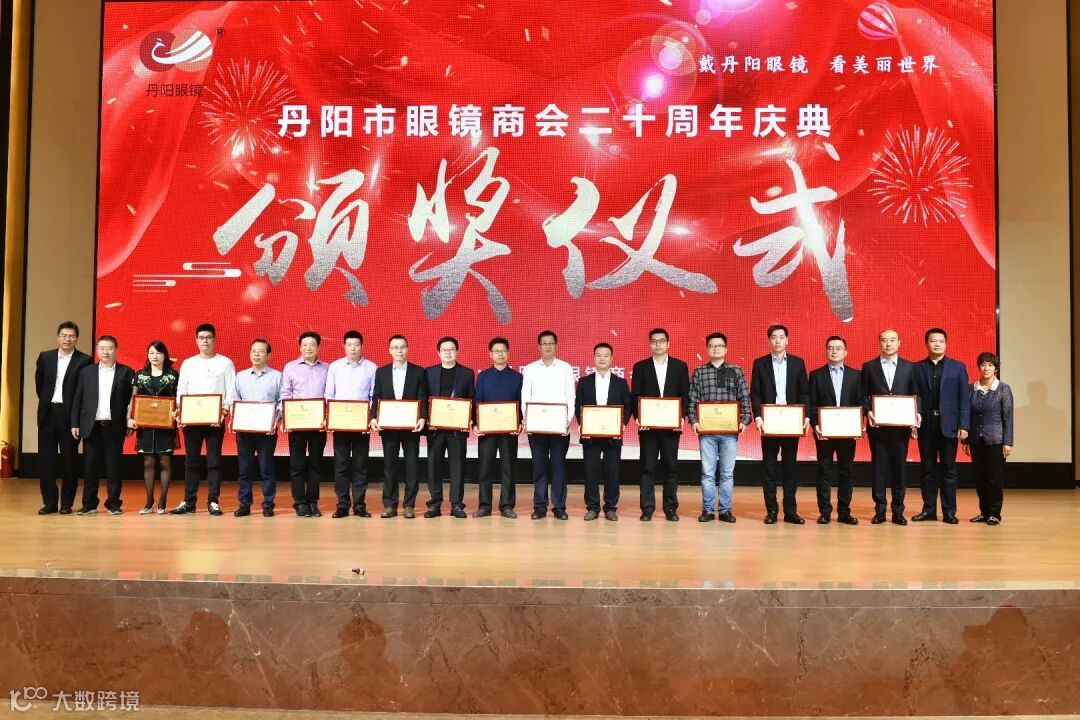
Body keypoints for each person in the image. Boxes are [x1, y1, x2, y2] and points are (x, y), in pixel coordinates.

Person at [172, 323, 236, 516]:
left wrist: (225, 410)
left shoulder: (225, 363)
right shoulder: (188, 363)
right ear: (196, 341)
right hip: (191, 419)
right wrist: (181, 409)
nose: (205, 341)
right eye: (201, 338)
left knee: (214, 461)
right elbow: (182, 389)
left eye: (208, 337)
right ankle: (189, 501)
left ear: (214, 340)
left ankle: (213, 501)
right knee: (191, 461)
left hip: (215, 419)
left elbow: (231, 390)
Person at [750, 324, 810, 524]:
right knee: (769, 468)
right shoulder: (760, 363)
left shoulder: (797, 363)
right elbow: (756, 393)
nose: (777, 341)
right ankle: (772, 511)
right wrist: (758, 417)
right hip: (769, 422)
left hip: (792, 421)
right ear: (769, 341)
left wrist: (805, 417)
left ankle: (790, 512)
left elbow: (804, 392)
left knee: (790, 468)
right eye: (774, 337)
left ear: (787, 340)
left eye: (781, 337)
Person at [688, 333, 751, 524]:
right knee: (707, 473)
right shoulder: (699, 372)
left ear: (726, 349)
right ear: (707, 349)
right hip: (706, 432)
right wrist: (694, 420)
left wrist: (744, 420)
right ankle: (707, 510)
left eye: (720, 345)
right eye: (712, 346)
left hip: (729, 432)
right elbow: (692, 399)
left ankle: (725, 510)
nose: (716, 348)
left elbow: (744, 398)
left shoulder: (736, 371)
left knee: (726, 473)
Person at [861, 329, 921, 525]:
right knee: (878, 469)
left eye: (892, 340)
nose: (888, 344)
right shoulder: (869, 366)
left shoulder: (910, 367)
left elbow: (915, 394)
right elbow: (862, 396)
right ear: (879, 342)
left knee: (899, 468)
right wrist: (868, 411)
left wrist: (916, 413)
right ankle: (880, 511)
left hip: (901, 427)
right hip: (877, 427)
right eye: (885, 340)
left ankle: (898, 511)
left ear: (899, 342)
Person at [911, 328, 971, 524]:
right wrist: (912, 421)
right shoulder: (917, 368)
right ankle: (928, 510)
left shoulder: (958, 367)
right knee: (927, 470)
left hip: (949, 426)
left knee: (948, 470)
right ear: (926, 344)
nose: (937, 344)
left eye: (940, 341)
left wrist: (964, 425)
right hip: (926, 426)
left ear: (946, 344)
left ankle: (949, 512)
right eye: (933, 341)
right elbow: (914, 397)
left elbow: (964, 398)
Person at [631, 328, 690, 522]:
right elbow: (636, 395)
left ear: (668, 344)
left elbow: (685, 395)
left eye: (662, 341)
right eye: (654, 341)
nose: (658, 344)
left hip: (671, 426)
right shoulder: (640, 367)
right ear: (650, 344)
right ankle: (647, 508)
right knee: (647, 467)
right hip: (648, 427)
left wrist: (681, 417)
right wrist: (639, 417)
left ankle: (670, 508)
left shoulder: (680, 366)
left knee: (670, 467)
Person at [71, 336, 134, 515]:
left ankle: (113, 504)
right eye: (102, 348)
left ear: (116, 350)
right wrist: (75, 423)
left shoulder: (126, 372)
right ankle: (89, 504)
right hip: (91, 426)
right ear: (97, 350)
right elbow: (78, 398)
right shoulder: (87, 372)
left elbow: (131, 401)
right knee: (90, 467)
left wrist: (130, 421)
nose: (106, 352)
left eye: (110, 348)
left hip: (114, 426)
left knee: (114, 467)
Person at [34, 321, 91, 514]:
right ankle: (50, 503)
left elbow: (83, 392)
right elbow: (40, 385)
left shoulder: (85, 360)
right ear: (58, 337)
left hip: (70, 418)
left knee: (69, 463)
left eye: (71, 336)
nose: (67, 339)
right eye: (64, 336)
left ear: (77, 338)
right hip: (48, 415)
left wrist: (76, 419)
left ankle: (66, 504)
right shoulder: (45, 357)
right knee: (46, 462)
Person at [370, 334, 428, 518]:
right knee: (390, 466)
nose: (399, 351)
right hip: (389, 427)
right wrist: (373, 417)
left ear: (407, 349)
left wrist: (423, 417)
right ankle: (390, 504)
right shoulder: (381, 372)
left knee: (412, 466)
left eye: (402, 347)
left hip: (411, 426)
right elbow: (376, 396)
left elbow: (422, 397)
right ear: (390, 350)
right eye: (395, 347)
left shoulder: (418, 371)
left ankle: (409, 505)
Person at [575, 343, 634, 521]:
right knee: (590, 473)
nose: (602, 358)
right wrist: (583, 424)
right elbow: (579, 406)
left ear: (611, 359)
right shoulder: (584, 382)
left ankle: (610, 508)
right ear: (594, 358)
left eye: (606, 355)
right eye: (599, 355)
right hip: (591, 435)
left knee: (612, 472)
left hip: (613, 435)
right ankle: (592, 507)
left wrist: (622, 424)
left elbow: (628, 406)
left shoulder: (620, 383)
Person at [521, 330, 575, 520]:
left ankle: (559, 507)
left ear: (556, 345)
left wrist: (568, 420)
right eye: (544, 343)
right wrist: (527, 418)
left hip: (559, 427)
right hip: (537, 427)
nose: (548, 346)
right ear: (539, 347)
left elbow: (570, 395)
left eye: (551, 343)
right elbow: (525, 396)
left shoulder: (566, 368)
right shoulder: (530, 369)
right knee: (539, 467)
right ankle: (540, 506)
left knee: (558, 466)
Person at [808, 336, 862, 525]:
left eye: (838, 348)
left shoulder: (856, 375)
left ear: (846, 352)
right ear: (826, 351)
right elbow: (812, 403)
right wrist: (815, 424)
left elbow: (861, 402)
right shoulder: (816, 375)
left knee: (847, 471)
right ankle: (825, 512)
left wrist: (858, 423)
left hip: (848, 432)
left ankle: (844, 512)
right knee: (824, 471)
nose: (834, 351)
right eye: (830, 348)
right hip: (824, 432)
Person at [325, 330, 377, 518]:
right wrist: (330, 415)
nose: (353, 348)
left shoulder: (371, 367)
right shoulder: (335, 367)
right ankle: (342, 505)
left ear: (362, 346)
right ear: (344, 347)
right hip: (340, 424)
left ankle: (360, 505)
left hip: (361, 424)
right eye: (349, 345)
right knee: (341, 465)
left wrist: (369, 416)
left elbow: (373, 396)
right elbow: (329, 394)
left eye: (356, 345)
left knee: (361, 465)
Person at [424, 337, 475, 519]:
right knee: (434, 467)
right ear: (438, 353)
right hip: (435, 429)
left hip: (457, 429)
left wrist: (470, 419)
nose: (448, 352)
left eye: (451, 349)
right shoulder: (429, 372)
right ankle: (434, 504)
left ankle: (457, 505)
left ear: (457, 351)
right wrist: (425, 418)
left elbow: (471, 399)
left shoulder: (467, 373)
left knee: (458, 467)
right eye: (444, 350)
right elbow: (424, 397)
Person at [472, 337, 523, 519]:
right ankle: (484, 506)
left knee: (508, 469)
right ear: (490, 354)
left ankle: (507, 505)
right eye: (496, 351)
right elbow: (478, 401)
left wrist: (520, 422)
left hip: (509, 431)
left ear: (508, 353)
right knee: (485, 469)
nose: (500, 354)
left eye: (503, 351)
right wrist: (476, 423)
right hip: (487, 431)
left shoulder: (517, 377)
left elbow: (520, 403)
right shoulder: (483, 376)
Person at [281, 331, 329, 517]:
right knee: (297, 465)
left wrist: (327, 416)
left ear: (318, 347)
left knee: (316, 465)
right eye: (305, 345)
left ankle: (313, 502)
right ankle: (300, 502)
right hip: (297, 424)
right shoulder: (290, 367)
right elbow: (285, 394)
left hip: (318, 424)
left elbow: (329, 395)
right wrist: (286, 418)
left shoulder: (327, 368)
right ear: (300, 347)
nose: (308, 348)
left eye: (312, 345)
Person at [963, 352, 1014, 526]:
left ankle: (994, 513)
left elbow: (1008, 417)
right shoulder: (971, 388)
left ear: (996, 368)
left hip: (995, 440)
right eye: (983, 365)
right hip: (976, 440)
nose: (986, 368)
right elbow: (967, 415)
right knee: (980, 478)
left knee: (994, 478)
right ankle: (984, 512)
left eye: (990, 365)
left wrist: (1008, 442)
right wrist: (966, 440)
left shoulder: (1003, 389)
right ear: (979, 367)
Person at [233, 339, 282, 517]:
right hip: (244, 431)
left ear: (269, 355)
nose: (256, 354)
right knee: (244, 470)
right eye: (253, 351)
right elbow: (233, 400)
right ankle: (245, 504)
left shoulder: (277, 376)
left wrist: (275, 420)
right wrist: (235, 417)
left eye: (261, 351)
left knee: (267, 469)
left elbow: (281, 402)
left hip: (266, 431)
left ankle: (268, 504)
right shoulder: (240, 376)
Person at [131, 340, 179, 515]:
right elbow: (133, 398)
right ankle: (149, 500)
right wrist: (130, 418)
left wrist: (177, 411)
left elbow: (178, 397)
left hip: (165, 425)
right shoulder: (140, 374)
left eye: (158, 353)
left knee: (165, 461)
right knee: (148, 462)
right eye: (151, 353)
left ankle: (163, 500)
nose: (154, 356)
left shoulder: (173, 375)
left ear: (164, 355)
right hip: (146, 425)